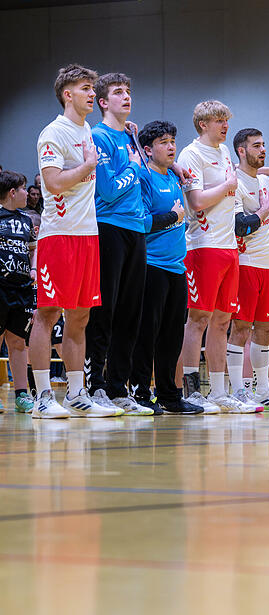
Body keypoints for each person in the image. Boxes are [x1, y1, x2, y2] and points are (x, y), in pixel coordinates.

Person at [32, 64, 118, 418]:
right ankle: (41, 398)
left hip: (87, 235)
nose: (91, 94)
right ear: (68, 94)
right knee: (47, 313)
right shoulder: (53, 132)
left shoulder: (87, 131)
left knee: (80, 317)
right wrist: (87, 166)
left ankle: (77, 394)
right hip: (60, 235)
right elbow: (52, 182)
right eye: (85, 88)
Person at [176, 100, 261, 413]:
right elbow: (196, 200)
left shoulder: (225, 152)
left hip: (228, 247)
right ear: (203, 124)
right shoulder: (191, 154)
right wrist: (227, 186)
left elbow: (238, 181)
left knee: (223, 320)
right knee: (198, 318)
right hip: (203, 245)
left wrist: (267, 171)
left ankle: (218, 390)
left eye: (226, 120)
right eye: (218, 120)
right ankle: (191, 389)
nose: (225, 126)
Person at [86, 72, 153, 415]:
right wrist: (137, 169)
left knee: (131, 313)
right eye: (117, 92)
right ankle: (95, 385)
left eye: (128, 91)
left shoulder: (131, 138)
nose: (126, 97)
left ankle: (118, 388)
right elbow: (109, 189)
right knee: (105, 310)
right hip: (109, 226)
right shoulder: (99, 136)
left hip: (136, 229)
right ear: (102, 102)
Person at [128, 120, 204, 414]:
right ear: (147, 149)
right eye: (163, 142)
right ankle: (140, 393)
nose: (171, 146)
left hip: (177, 268)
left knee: (173, 336)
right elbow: (142, 223)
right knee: (147, 333)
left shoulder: (173, 176)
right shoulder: (143, 177)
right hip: (150, 266)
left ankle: (170, 396)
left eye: (172, 141)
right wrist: (172, 217)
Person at [227, 128, 269, 411]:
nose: (262, 149)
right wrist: (266, 209)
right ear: (241, 150)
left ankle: (263, 390)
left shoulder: (265, 178)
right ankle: (239, 390)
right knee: (241, 327)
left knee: (266, 328)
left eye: (264, 145)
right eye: (256, 146)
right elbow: (241, 226)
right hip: (245, 264)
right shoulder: (234, 182)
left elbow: (263, 172)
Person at [0, 171, 36, 414]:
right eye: (24, 189)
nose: (28, 193)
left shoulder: (26, 219)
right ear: (13, 192)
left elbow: (34, 249)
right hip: (0, 287)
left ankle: (21, 395)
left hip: (21, 288)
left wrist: (33, 268)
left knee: (18, 341)